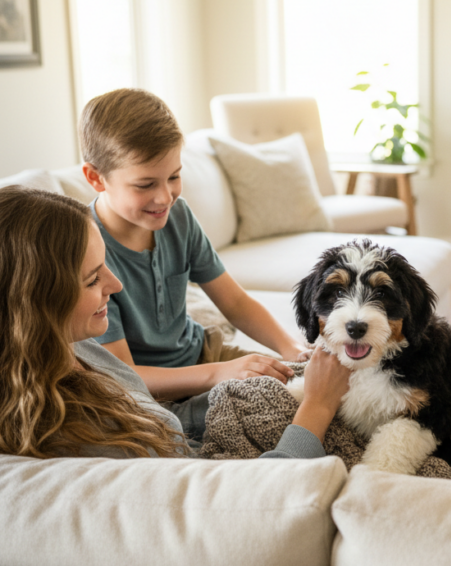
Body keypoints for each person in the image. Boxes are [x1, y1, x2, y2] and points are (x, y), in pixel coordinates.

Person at [0, 186, 347, 459]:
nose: (116, 285)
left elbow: (163, 415)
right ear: (35, 305)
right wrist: (317, 405)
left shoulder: (77, 346)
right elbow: (262, 496)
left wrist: (276, 383)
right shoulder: (88, 434)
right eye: (92, 280)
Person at [78, 88, 309, 405]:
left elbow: (236, 303)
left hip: (203, 356)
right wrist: (219, 374)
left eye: (173, 176)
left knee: (307, 386)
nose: (165, 197)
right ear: (95, 178)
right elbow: (124, 376)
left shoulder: (179, 217)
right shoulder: (87, 251)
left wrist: (292, 348)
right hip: (150, 394)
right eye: (145, 184)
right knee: (280, 409)